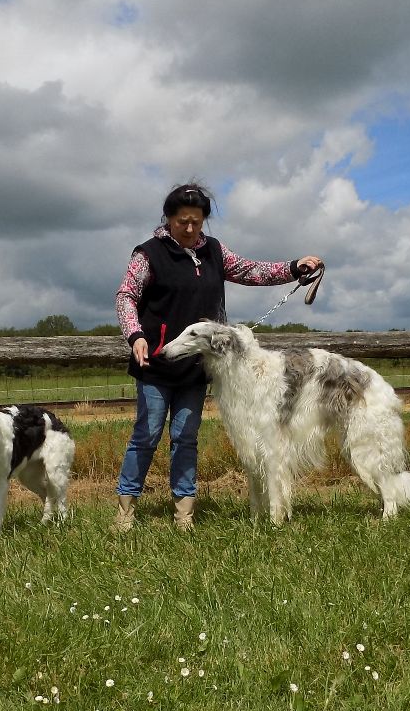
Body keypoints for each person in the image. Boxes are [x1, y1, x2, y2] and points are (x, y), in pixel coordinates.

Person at [114, 183, 323, 532]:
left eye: (197, 222)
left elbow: (251, 271)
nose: (190, 228)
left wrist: (293, 268)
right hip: (156, 364)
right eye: (183, 221)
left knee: (186, 437)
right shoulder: (148, 254)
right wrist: (135, 335)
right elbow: (126, 296)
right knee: (146, 436)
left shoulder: (214, 251)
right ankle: (124, 513)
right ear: (168, 219)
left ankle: (184, 516)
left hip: (197, 368)